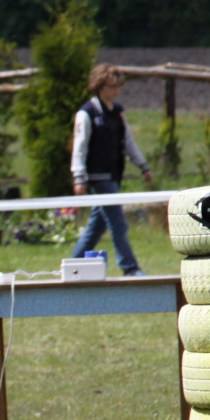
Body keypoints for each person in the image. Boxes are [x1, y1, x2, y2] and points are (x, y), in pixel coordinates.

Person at [70, 64, 153, 276]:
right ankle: (130, 267)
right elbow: (79, 147)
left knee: (95, 228)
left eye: (118, 87)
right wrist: (79, 177)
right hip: (98, 178)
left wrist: (143, 166)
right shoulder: (86, 113)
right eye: (111, 86)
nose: (115, 91)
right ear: (99, 86)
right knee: (118, 223)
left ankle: (72, 266)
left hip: (114, 176)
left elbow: (128, 142)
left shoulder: (117, 112)